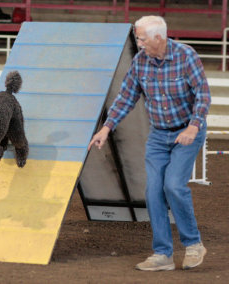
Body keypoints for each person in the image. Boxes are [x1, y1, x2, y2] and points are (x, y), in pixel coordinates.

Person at [88, 16, 211, 271]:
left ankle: (193, 244)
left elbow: (203, 94)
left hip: (186, 133)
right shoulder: (140, 62)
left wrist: (194, 125)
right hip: (158, 136)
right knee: (153, 191)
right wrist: (106, 129)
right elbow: (126, 97)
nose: (139, 43)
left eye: (142, 38)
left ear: (158, 38)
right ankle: (162, 254)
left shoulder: (186, 56)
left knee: (174, 186)